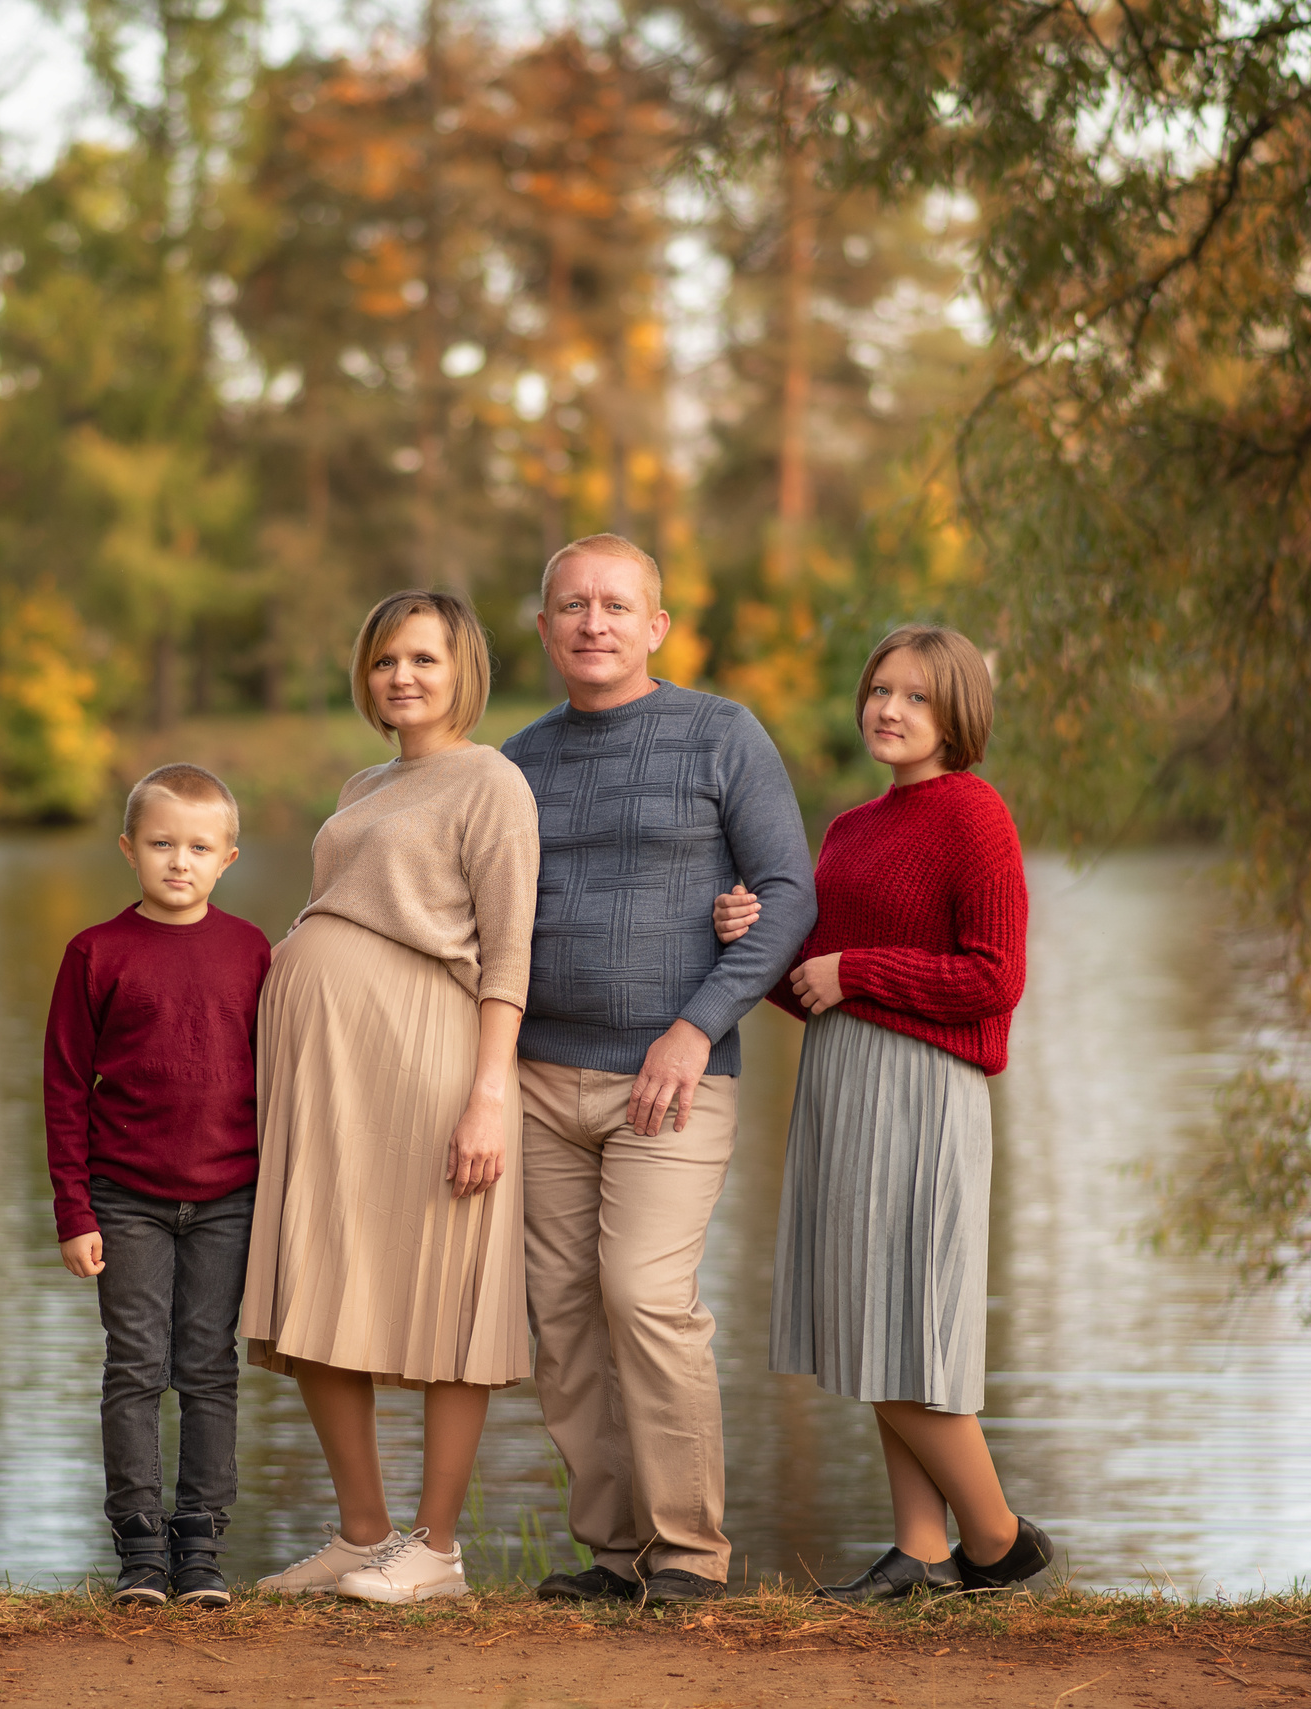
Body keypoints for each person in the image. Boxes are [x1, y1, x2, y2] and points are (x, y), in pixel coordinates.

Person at [502, 534, 818, 1606]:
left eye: (615, 604)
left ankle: (689, 1553)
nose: (593, 621)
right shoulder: (516, 759)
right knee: (565, 1315)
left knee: (643, 1295)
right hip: (537, 1076)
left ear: (655, 626)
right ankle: (612, 1551)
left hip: (672, 1076)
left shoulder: (720, 733)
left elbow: (786, 894)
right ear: (545, 626)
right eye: (572, 604)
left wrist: (697, 1025)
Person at [713, 623, 1054, 1601]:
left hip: (924, 1089)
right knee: (870, 1322)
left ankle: (995, 1541)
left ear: (956, 715)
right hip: (839, 1083)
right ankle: (921, 1550)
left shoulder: (973, 814)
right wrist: (758, 943)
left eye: (914, 695)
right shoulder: (850, 830)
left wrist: (850, 966)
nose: (888, 709)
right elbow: (811, 989)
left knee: (911, 1325)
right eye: (878, 690)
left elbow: (994, 979)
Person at [240, 589, 541, 1605]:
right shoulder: (367, 779)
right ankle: (361, 1530)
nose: (400, 677)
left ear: (462, 672)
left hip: (428, 1056)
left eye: (421, 659)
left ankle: (437, 1547)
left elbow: (508, 949)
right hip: (327, 1069)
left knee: (447, 1279)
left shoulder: (491, 781)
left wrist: (488, 1093)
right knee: (320, 1271)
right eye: (383, 661)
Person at [44, 762, 273, 1607]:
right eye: (162, 843)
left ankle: (202, 1545)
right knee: (136, 1365)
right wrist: (74, 1208)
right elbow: (64, 1088)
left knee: (209, 1367)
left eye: (199, 846)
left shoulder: (252, 950)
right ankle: (140, 1548)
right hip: (125, 1199)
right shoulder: (95, 953)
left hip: (228, 1199)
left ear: (229, 857)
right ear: (129, 849)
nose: (180, 860)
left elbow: (278, 1078)